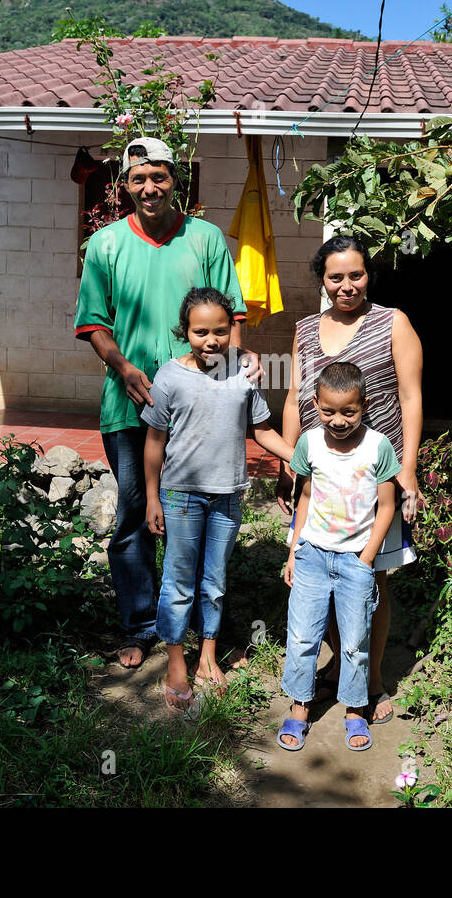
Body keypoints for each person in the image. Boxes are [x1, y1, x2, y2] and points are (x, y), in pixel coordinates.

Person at [74, 137, 256, 670]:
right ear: (124, 186)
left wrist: (233, 379)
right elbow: (93, 324)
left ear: (177, 181)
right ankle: (140, 624)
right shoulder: (105, 245)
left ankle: (201, 629)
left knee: (192, 515)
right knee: (135, 511)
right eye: (138, 179)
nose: (149, 188)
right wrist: (125, 369)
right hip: (128, 406)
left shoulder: (204, 238)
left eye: (159, 177)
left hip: (196, 409)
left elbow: (232, 316)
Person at [277, 234, 423, 725]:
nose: (346, 285)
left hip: (375, 481)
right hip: (321, 482)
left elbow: (410, 396)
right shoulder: (302, 329)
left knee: (369, 580)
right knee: (318, 576)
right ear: (322, 278)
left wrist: (409, 470)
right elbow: (297, 396)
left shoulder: (392, 322)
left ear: (368, 275)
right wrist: (287, 468)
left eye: (355, 275)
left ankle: (372, 678)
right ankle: (342, 664)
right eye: (335, 276)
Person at [142, 288, 294, 711]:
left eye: (220, 331)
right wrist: (152, 497)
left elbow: (261, 430)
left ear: (233, 331)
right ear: (184, 332)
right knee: (178, 583)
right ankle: (176, 661)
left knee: (214, 582)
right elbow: (154, 441)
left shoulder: (244, 374)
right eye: (200, 331)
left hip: (228, 498)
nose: (211, 340)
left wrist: (297, 458)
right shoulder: (170, 377)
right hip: (180, 497)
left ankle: (207, 656)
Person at [277, 363, 398, 752]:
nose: (338, 420)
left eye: (349, 411)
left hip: (354, 562)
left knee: (355, 640)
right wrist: (293, 551)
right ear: (315, 404)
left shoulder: (378, 446)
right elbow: (306, 498)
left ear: (364, 405)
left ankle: (355, 708)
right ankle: (300, 705)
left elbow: (386, 507)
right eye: (328, 411)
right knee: (302, 635)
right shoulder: (309, 443)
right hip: (311, 554)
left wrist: (366, 559)